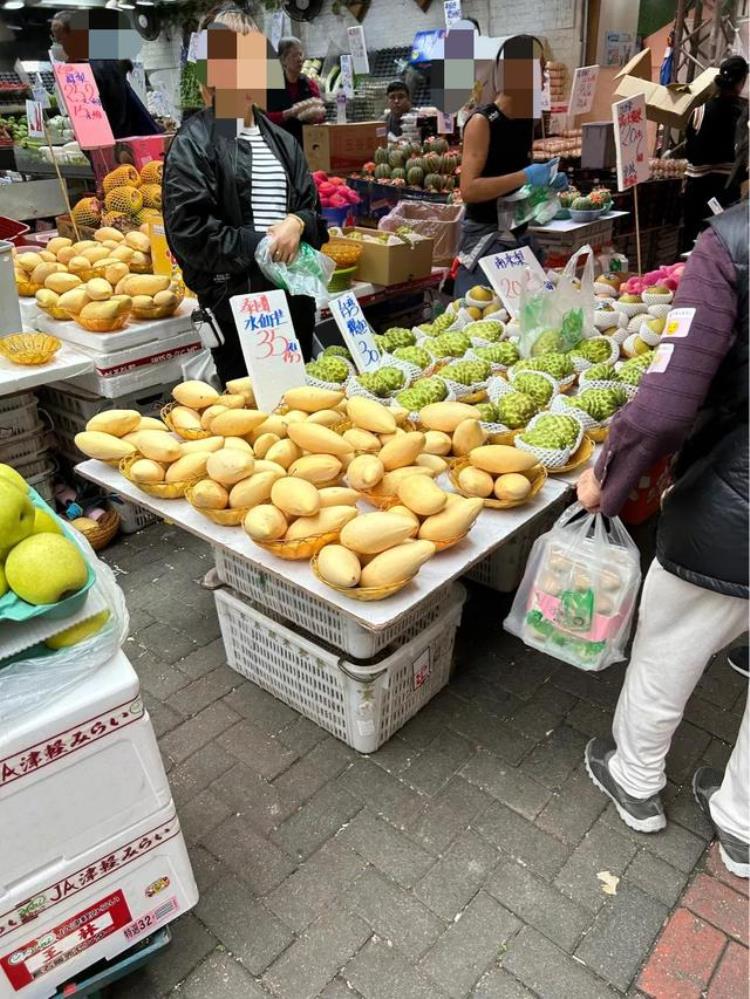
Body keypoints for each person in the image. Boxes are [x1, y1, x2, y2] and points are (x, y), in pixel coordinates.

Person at [577, 199, 748, 878]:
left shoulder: (732, 241)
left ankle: (637, 782)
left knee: (671, 638)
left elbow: (664, 407)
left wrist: (607, 481)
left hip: (734, 501)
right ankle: (741, 824)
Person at [162, 3, 326, 384]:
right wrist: (264, 243)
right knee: (248, 413)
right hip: (236, 307)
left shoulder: (282, 141)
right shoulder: (195, 141)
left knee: (299, 403)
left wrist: (298, 222)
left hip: (292, 301)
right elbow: (190, 233)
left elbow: (312, 209)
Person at [455, 34, 564, 297]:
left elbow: (515, 190)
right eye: (538, 72)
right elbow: (468, 190)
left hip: (517, 236)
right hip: (485, 239)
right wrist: (524, 176)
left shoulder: (527, 120)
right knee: (480, 320)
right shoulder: (483, 122)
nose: (545, 79)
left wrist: (546, 187)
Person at [51, 9, 161, 139]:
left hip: (118, 144)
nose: (55, 45)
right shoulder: (94, 62)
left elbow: (112, 117)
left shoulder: (98, 67)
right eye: (54, 38)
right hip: (121, 140)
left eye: (59, 40)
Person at [682, 54, 748, 249]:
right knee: (721, 250)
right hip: (727, 195)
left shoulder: (699, 112)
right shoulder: (744, 115)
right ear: (741, 81)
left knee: (691, 248)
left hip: (697, 195)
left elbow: (690, 152)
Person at [265, 36, 326, 145]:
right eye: (294, 55)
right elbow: (264, 119)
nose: (299, 59)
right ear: (283, 60)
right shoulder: (271, 86)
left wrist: (314, 117)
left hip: (304, 144)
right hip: (279, 144)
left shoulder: (309, 84)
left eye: (300, 54)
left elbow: (320, 119)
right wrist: (287, 114)